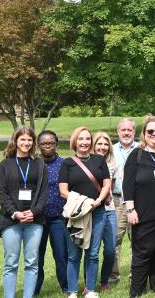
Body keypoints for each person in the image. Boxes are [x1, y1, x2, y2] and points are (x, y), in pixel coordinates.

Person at [123, 116, 155, 297]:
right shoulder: (136, 155)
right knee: (142, 254)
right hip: (144, 215)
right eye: (150, 131)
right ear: (144, 134)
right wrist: (130, 209)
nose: (154, 134)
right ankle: (136, 291)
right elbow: (127, 185)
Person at [59, 127, 111, 298]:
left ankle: (90, 289)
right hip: (77, 214)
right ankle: (73, 291)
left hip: (97, 212)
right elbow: (63, 191)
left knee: (93, 253)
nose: (84, 142)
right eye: (81, 139)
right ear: (75, 141)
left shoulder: (99, 160)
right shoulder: (67, 163)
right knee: (74, 254)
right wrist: (83, 202)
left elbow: (106, 185)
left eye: (87, 139)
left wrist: (97, 201)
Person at [0, 126, 47, 298]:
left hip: (35, 221)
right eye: (22, 139)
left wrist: (34, 212)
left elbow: (43, 193)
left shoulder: (40, 164)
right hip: (11, 221)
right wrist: (15, 213)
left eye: (29, 140)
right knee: (11, 262)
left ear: (33, 142)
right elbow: (1, 193)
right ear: (15, 141)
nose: (26, 143)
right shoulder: (5, 164)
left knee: (32, 262)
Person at [35, 130, 69, 295]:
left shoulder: (64, 164)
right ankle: (34, 289)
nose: (47, 146)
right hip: (37, 219)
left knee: (61, 255)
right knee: (36, 257)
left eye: (51, 143)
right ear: (38, 145)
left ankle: (66, 287)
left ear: (56, 145)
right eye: (44, 143)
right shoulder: (34, 164)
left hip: (58, 218)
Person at [110, 117, 139, 285]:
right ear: (118, 132)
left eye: (130, 130)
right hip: (117, 200)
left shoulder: (142, 149)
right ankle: (113, 276)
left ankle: (135, 274)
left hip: (137, 201)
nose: (126, 133)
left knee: (137, 239)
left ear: (134, 132)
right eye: (123, 130)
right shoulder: (111, 150)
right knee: (114, 240)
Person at [91, 132, 117, 292]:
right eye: (99, 144)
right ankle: (90, 282)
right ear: (94, 145)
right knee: (92, 250)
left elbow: (111, 187)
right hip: (93, 210)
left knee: (110, 249)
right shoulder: (87, 163)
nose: (102, 147)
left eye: (106, 144)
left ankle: (104, 280)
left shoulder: (113, 164)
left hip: (110, 210)